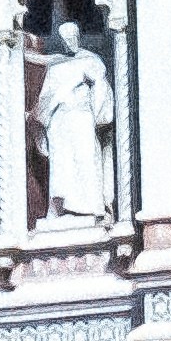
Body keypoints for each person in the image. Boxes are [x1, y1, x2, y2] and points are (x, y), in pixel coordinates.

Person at [32, 25, 121, 223]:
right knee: (61, 166)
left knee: (85, 158)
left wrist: (95, 115)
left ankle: (91, 207)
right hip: (59, 122)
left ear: (78, 37)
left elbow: (100, 87)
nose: (69, 42)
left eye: (72, 37)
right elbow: (46, 97)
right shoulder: (55, 66)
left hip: (82, 118)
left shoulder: (90, 60)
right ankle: (61, 209)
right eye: (65, 38)